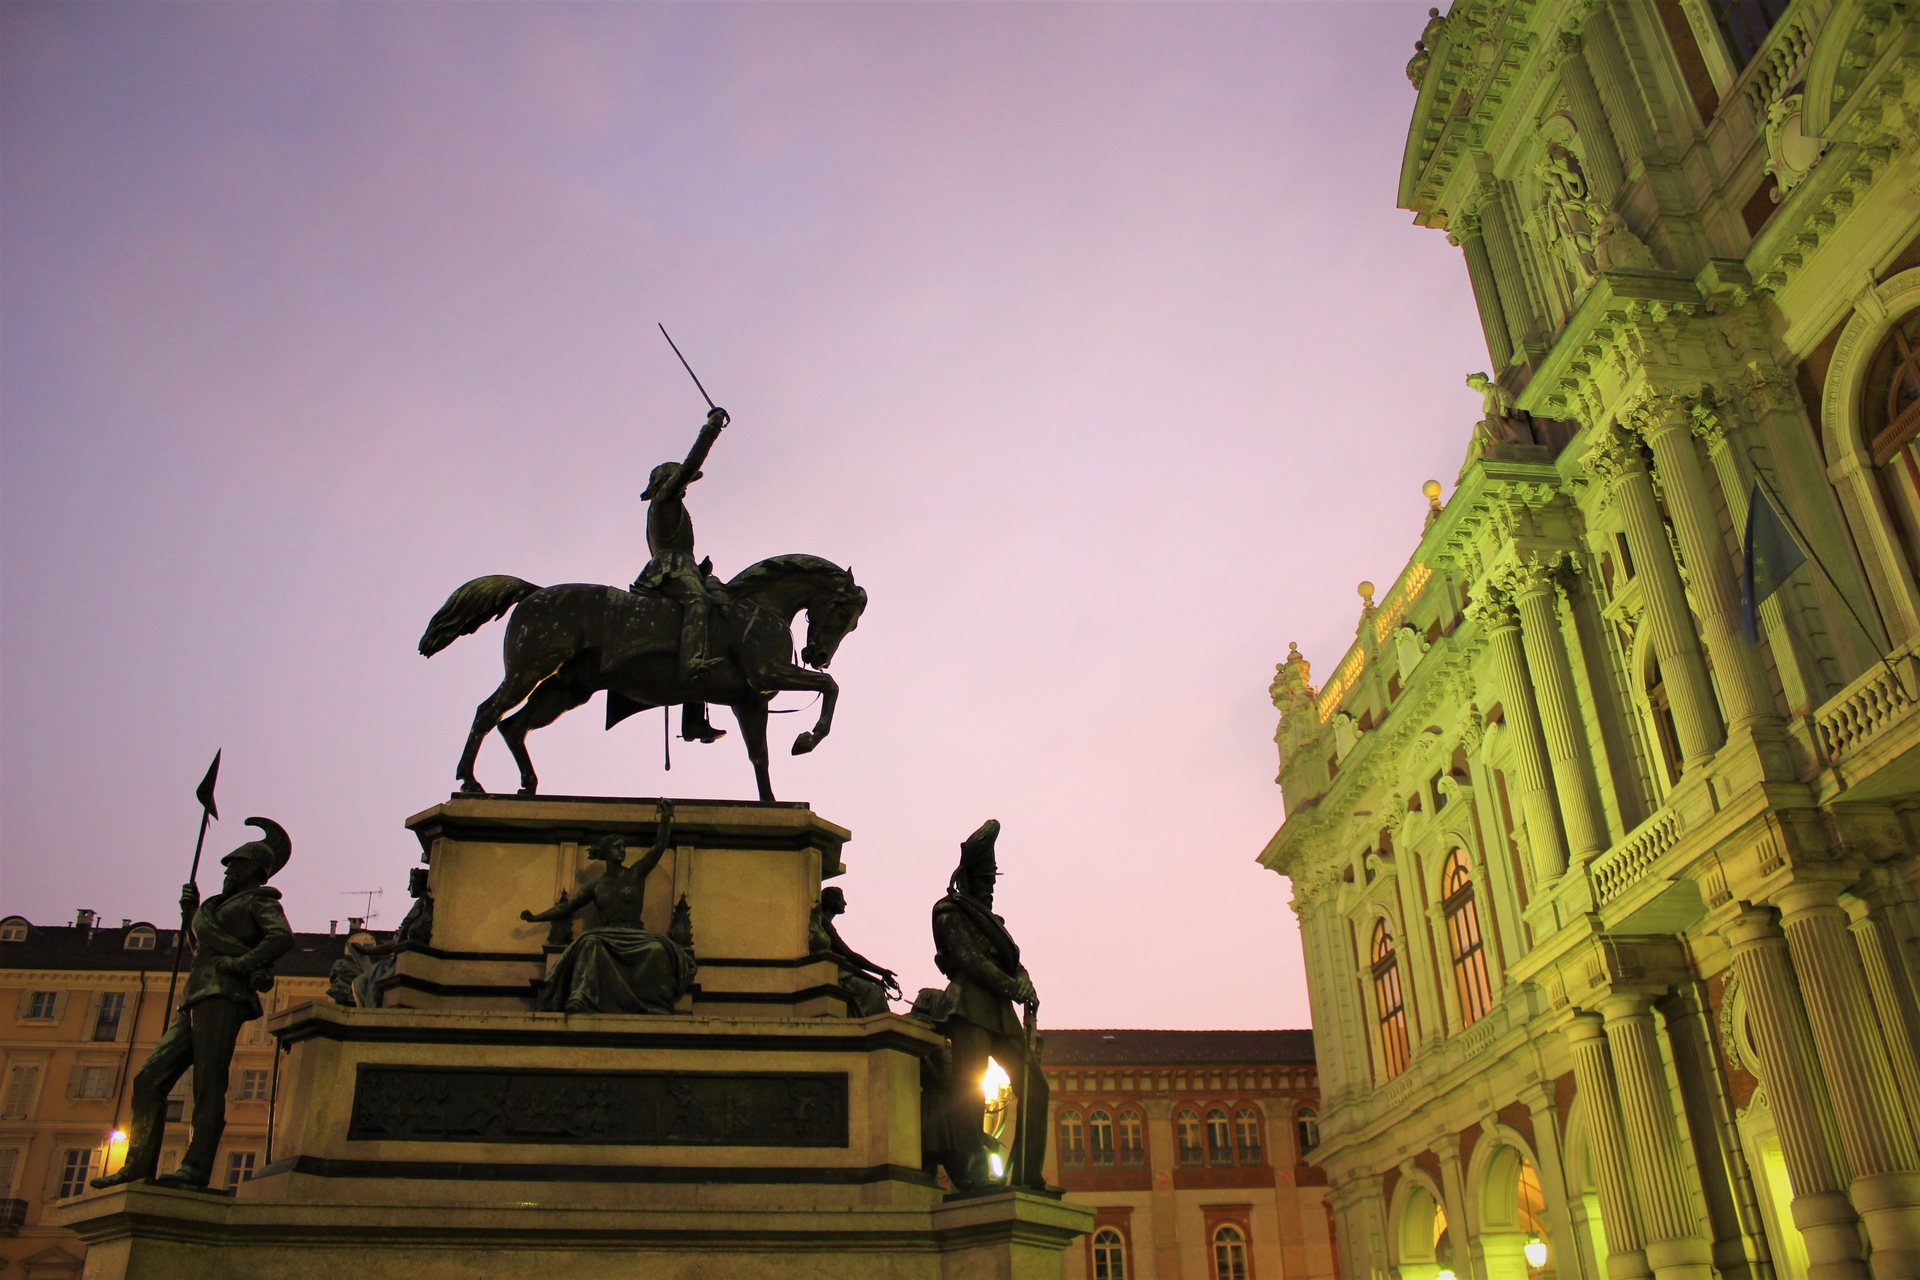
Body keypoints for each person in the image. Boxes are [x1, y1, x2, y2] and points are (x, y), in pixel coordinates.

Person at [93, 819, 296, 1191]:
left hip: (224, 995)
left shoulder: (258, 900)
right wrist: (190, 915)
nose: (227, 871)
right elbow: (202, 949)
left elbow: (281, 937)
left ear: (252, 869)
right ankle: (137, 1166)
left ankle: (195, 1168)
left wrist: (242, 963)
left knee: (207, 1083)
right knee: (147, 1080)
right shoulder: (215, 906)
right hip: (195, 995)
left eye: (234, 865)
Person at [931, 819, 1052, 1193]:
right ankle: (974, 1172)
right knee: (969, 1091)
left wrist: (1025, 982)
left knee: (1036, 1088)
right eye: (984, 880)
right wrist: (1011, 985)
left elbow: (1013, 960)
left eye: (993, 881)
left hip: (1002, 1013)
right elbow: (969, 960)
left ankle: (1028, 1175)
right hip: (968, 1008)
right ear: (967, 878)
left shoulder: (994, 923)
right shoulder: (948, 911)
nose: (990, 888)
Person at [520, 798, 696, 1014]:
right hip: (605, 933)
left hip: (635, 934)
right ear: (605, 852)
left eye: (623, 847)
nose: (622, 850)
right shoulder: (596, 885)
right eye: (617, 847)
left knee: (657, 949)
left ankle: (655, 1003)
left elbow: (659, 847)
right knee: (590, 943)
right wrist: (535, 917)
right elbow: (567, 907)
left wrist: (666, 817)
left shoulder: (636, 873)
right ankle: (581, 997)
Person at [631, 408, 732, 726]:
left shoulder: (673, 505)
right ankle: (690, 665)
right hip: (670, 568)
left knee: (715, 614)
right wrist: (711, 429)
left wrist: (699, 571)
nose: (685, 486)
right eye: (680, 481)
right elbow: (691, 464)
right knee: (699, 602)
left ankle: (694, 717)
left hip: (684, 567)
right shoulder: (665, 499)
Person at [348, 867, 433, 1009]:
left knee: (376, 987)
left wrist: (397, 945)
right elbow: (396, 942)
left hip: (407, 960)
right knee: (359, 983)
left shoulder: (423, 904)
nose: (409, 888)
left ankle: (372, 1019)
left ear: (419, 883)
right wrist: (367, 951)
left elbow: (402, 937)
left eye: (411, 883)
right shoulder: (420, 904)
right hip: (396, 960)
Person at [810, 887, 899, 1017]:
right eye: (841, 899)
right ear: (830, 901)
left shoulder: (824, 923)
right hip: (832, 975)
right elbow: (849, 956)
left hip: (836, 972)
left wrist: (878, 976)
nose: (845, 903)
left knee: (875, 990)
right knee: (875, 992)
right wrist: (880, 973)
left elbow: (848, 962)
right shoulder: (824, 923)